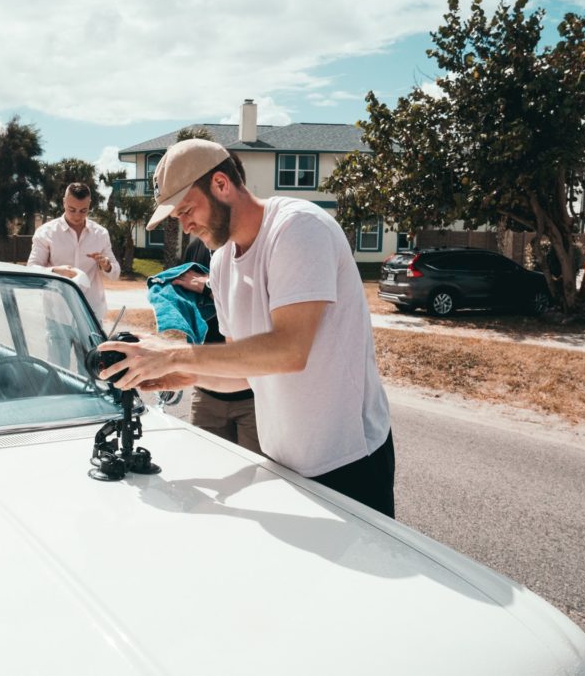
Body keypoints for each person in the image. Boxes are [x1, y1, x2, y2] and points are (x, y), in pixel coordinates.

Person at [98, 139, 395, 518]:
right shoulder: (221, 263)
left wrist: (171, 353)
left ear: (221, 184)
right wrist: (181, 374)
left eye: (187, 209)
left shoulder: (298, 228)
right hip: (282, 463)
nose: (185, 224)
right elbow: (249, 372)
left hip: (349, 460)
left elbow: (289, 351)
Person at [171, 237, 260, 453]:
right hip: (206, 395)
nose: (187, 223)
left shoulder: (254, 247)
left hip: (254, 397)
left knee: (261, 477)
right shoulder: (195, 248)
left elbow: (257, 301)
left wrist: (209, 286)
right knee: (206, 465)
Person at [28, 182, 120, 364]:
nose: (77, 215)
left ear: (90, 205)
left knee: (90, 374)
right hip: (57, 314)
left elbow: (115, 273)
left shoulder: (101, 234)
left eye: (83, 210)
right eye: (72, 209)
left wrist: (107, 265)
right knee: (57, 371)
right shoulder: (46, 232)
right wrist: (55, 270)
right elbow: (32, 268)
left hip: (90, 314)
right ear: (63, 202)